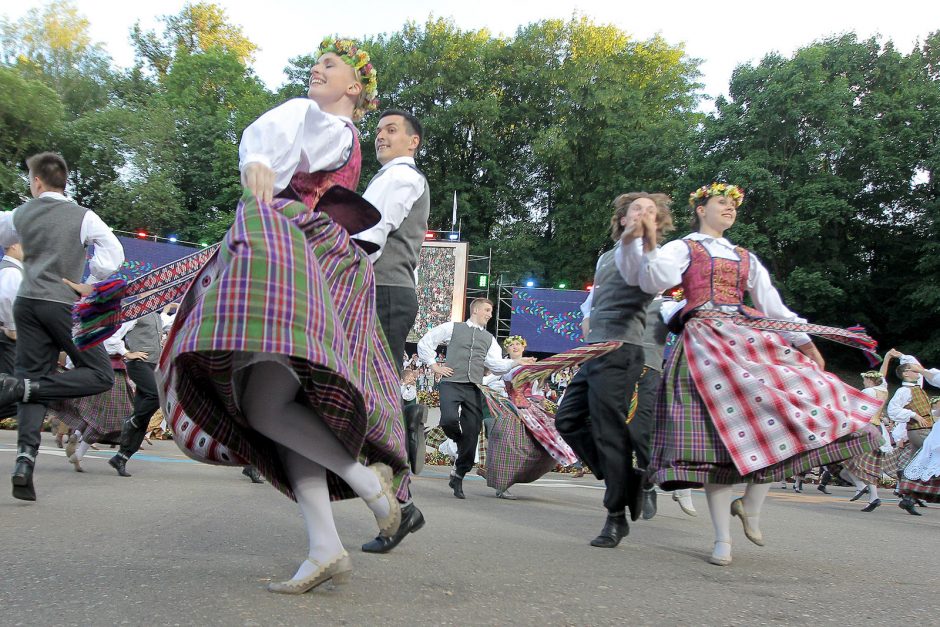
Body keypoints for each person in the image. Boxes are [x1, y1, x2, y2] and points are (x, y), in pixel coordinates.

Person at [153, 38, 410, 593]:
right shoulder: (346, 139)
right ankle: (326, 545)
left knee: (267, 406)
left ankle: (367, 486)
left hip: (290, 254)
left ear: (354, 86)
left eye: (330, 64)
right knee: (273, 406)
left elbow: (272, 140)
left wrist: (258, 162)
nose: (316, 69)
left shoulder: (311, 119)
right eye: (315, 63)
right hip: (311, 258)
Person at [638, 182, 880, 566]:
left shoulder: (745, 257)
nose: (730, 208)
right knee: (716, 446)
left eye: (733, 204)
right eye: (722, 202)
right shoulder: (684, 247)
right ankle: (722, 539)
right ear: (702, 209)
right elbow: (653, 282)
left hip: (746, 339)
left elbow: (773, 307)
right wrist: (650, 238)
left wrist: (804, 342)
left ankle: (750, 506)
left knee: (781, 419)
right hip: (704, 347)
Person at [0, 152, 123, 501]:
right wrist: (91, 281)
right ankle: (26, 387)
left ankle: (24, 461)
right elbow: (113, 255)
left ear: (37, 181)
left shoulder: (21, 214)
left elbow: (3, 230)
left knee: (29, 377)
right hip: (62, 303)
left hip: (27, 304)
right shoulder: (83, 216)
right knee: (100, 374)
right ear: (62, 180)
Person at [555, 192, 672, 548]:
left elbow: (653, 281)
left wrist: (643, 240)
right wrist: (589, 320)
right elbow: (593, 300)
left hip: (624, 351)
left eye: (651, 211)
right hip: (596, 350)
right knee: (567, 420)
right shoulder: (607, 257)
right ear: (622, 217)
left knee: (610, 432)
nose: (644, 214)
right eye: (638, 209)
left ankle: (615, 516)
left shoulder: (651, 257)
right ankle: (624, 481)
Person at [358, 108, 430, 553]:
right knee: (365, 396)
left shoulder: (402, 178)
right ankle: (398, 502)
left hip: (383, 291)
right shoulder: (385, 177)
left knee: (372, 398)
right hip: (382, 290)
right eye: (379, 130)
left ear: (412, 141)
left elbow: (373, 234)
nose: (380, 136)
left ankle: (401, 504)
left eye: (391, 130)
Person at [417, 298, 531, 499]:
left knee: (472, 432)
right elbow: (426, 341)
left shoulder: (488, 339)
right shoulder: (453, 327)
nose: (489, 314)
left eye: (491, 311)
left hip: (473, 388)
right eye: (487, 310)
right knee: (449, 420)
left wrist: (516, 363)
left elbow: (496, 365)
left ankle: (458, 475)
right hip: (451, 383)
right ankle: (459, 443)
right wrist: (434, 365)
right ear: (476, 310)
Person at [840, 349, 904, 511]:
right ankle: (872, 496)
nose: (863, 381)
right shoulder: (883, 390)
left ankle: (863, 488)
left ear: (869, 379)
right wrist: (888, 357)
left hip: (866, 428)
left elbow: (857, 410)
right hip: (878, 429)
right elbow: (882, 376)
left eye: (865, 379)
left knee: (851, 459)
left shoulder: (868, 391)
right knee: (868, 463)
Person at [103, 311, 164, 477]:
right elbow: (113, 335)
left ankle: (121, 457)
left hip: (152, 365)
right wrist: (126, 353)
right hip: (138, 364)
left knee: (143, 416)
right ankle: (132, 420)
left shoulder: (157, 314)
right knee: (156, 396)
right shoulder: (137, 311)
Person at [889, 356, 940, 514]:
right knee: (930, 459)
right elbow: (893, 410)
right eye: (913, 369)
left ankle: (908, 496)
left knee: (917, 463)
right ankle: (907, 491)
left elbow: (927, 374)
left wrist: (903, 358)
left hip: (922, 430)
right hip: (919, 430)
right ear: (906, 373)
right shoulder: (904, 390)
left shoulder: (916, 387)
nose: (917, 371)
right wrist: (914, 415)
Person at [0, 242, 23, 417]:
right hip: (6, 337)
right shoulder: (12, 271)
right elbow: (6, 297)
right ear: (13, 245)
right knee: (14, 393)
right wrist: (12, 327)